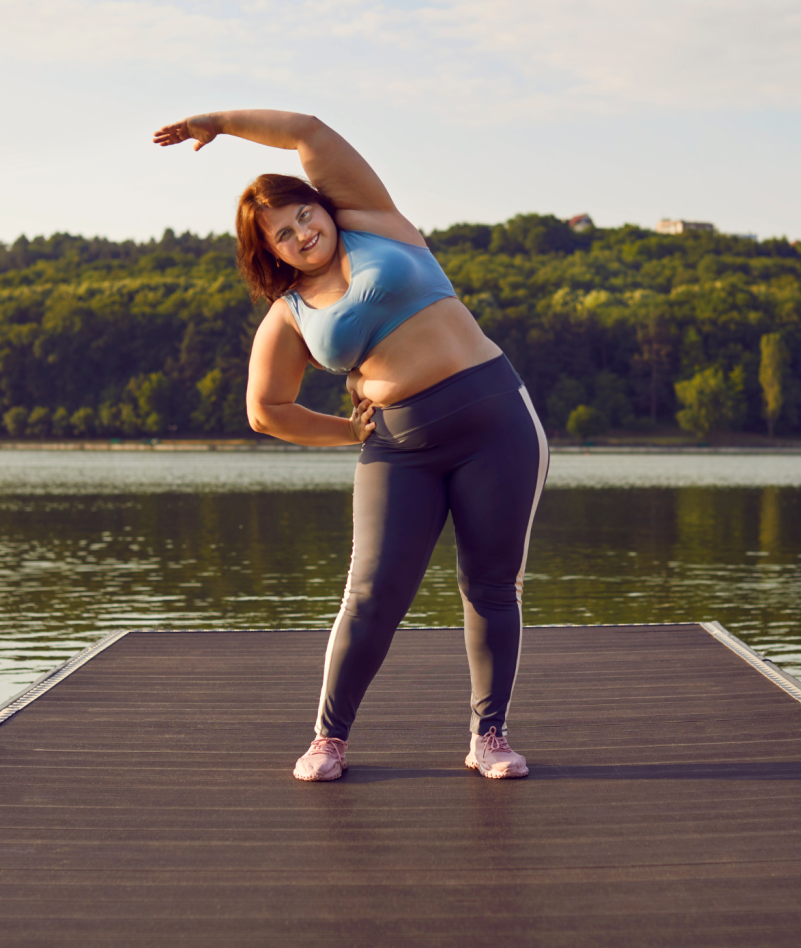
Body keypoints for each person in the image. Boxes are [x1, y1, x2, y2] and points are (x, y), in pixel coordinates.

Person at [153, 110, 549, 781]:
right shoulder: (291, 314)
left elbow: (308, 132)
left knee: (491, 586)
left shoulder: (374, 220)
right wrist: (345, 431)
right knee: (370, 596)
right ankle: (328, 739)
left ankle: (489, 735)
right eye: (282, 234)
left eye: (303, 215)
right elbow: (265, 410)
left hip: (496, 425)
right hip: (399, 447)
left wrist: (217, 122)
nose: (301, 233)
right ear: (270, 252)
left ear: (321, 206)